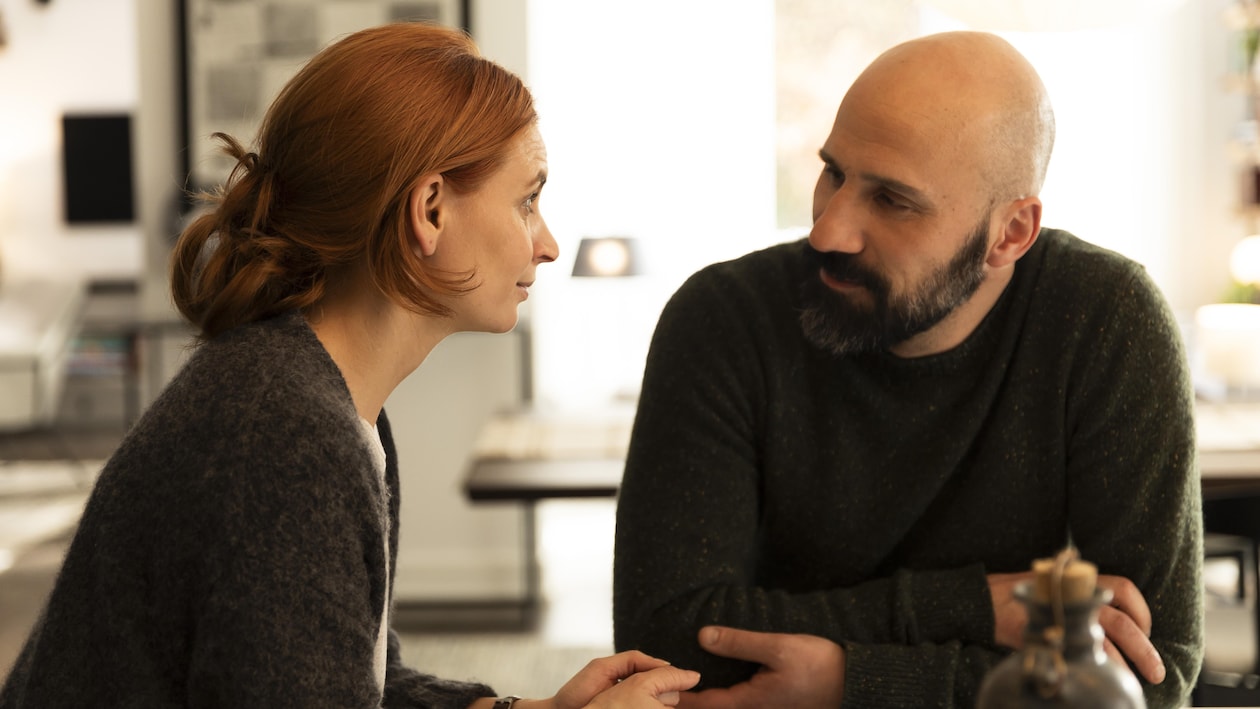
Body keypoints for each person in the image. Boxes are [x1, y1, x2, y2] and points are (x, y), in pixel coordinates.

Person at [0, 22, 698, 709]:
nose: (546, 243)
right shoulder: (285, 434)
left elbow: (356, 677)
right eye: (526, 200)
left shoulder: (321, 399)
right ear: (428, 210)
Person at [612, 30, 1202, 708]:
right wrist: (975, 607)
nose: (828, 231)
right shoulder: (723, 319)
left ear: (1009, 234)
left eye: (892, 200)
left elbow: (1152, 675)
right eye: (833, 172)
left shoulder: (1107, 320)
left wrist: (847, 680)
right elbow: (662, 647)